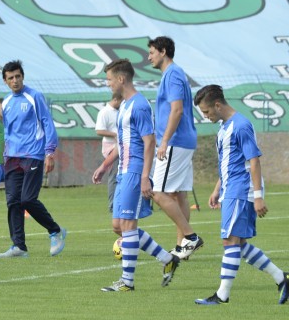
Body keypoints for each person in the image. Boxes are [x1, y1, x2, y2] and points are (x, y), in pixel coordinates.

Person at [192, 84, 289, 305]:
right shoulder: (225, 127)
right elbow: (230, 162)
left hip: (241, 189)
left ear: (217, 105)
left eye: (206, 112)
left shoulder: (241, 125)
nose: (205, 116)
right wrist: (218, 189)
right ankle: (282, 278)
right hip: (230, 188)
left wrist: (257, 196)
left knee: (229, 241)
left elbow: (253, 161)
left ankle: (222, 295)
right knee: (240, 243)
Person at [93, 59, 180, 291]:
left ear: (121, 79)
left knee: (128, 224)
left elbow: (149, 141)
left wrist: (144, 176)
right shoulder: (124, 106)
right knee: (120, 224)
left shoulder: (140, 105)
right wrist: (104, 165)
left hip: (134, 170)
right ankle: (167, 259)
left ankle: (127, 282)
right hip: (123, 170)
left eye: (109, 79)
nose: (108, 83)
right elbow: (122, 144)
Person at [0, 60, 66, 258]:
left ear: (22, 76)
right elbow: (9, 132)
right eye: (11, 78)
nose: (15, 80)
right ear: (5, 81)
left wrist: (49, 152)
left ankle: (55, 231)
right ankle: (19, 246)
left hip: (33, 155)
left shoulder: (34, 97)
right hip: (12, 157)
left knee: (27, 199)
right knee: (13, 202)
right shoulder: (6, 103)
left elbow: (47, 123)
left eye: (18, 76)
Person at [147, 36, 203, 259]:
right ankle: (182, 248)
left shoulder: (172, 74)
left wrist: (165, 141)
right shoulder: (173, 74)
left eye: (151, 52)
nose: (149, 57)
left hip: (176, 142)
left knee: (158, 193)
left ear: (162, 51)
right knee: (179, 195)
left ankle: (190, 237)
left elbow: (177, 110)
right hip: (183, 141)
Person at [95, 93, 122, 215]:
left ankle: (120, 203)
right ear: (116, 99)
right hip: (111, 147)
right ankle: (113, 206)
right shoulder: (105, 112)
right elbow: (99, 130)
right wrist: (115, 135)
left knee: (120, 176)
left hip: (121, 147)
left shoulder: (120, 110)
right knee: (114, 176)